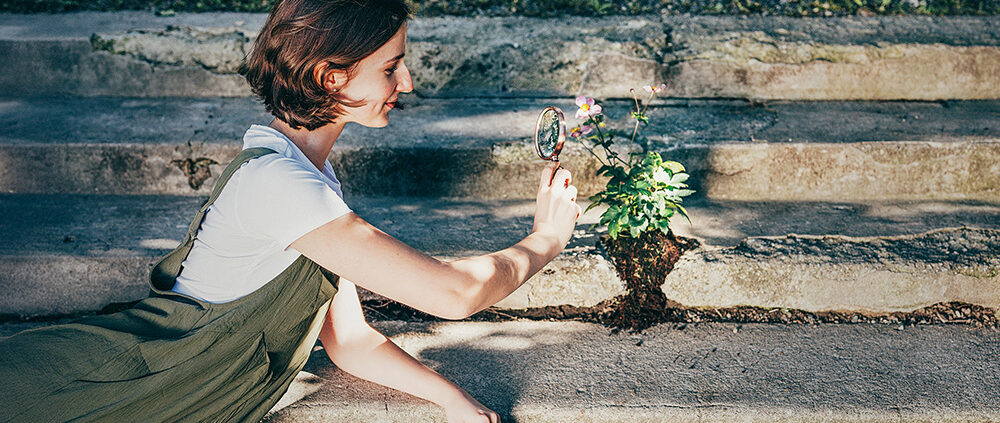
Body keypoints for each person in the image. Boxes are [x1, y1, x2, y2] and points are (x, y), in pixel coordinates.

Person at [0, 0, 581, 422]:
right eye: (390, 66)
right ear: (332, 75)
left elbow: (349, 338)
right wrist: (545, 241)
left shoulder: (308, 182)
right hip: (87, 388)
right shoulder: (281, 186)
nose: (406, 79)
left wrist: (451, 398)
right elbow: (453, 295)